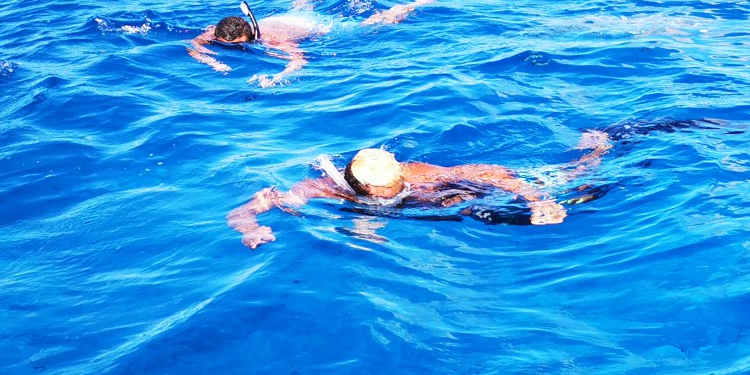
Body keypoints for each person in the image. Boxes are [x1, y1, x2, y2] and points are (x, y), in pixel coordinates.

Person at [228, 133, 614, 248]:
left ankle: (595, 147)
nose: (397, 188)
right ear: (359, 185)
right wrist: (251, 228)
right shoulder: (327, 189)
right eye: (387, 189)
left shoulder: (420, 174)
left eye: (398, 181)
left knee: (572, 184)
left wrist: (535, 197)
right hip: (375, 216)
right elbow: (252, 206)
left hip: (455, 196)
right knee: (366, 235)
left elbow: (490, 174)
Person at [187, 0, 435, 87]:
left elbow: (299, 60)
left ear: (249, 35)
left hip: (316, 26)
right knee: (301, 4)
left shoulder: (275, 41)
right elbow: (194, 44)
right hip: (285, 17)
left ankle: (415, 3)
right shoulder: (219, 31)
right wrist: (211, 61)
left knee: (370, 25)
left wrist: (279, 76)